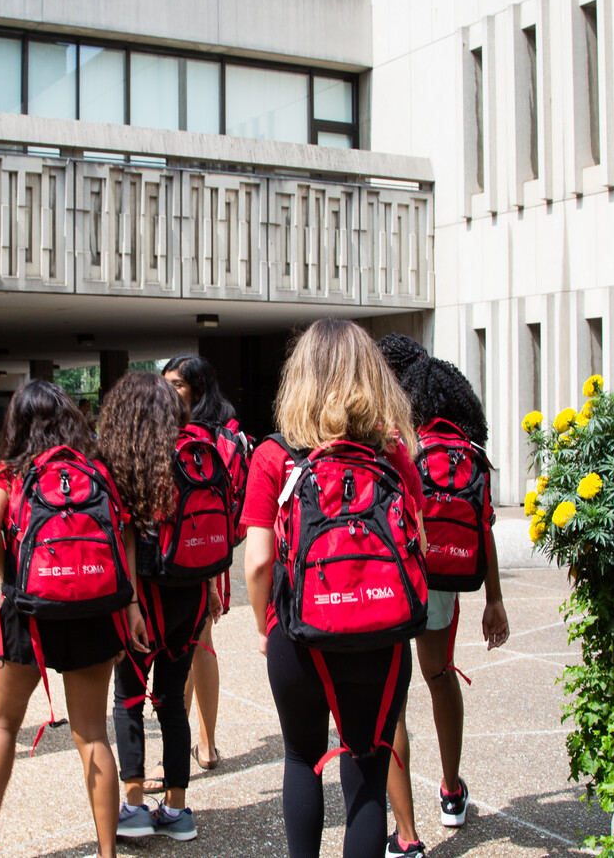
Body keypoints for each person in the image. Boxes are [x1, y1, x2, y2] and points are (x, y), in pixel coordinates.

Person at [244, 319, 424, 858]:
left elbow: (257, 565)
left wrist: (263, 626)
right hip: (382, 629)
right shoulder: (392, 454)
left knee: (301, 758)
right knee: (367, 766)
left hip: (296, 630)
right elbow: (421, 547)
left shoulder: (274, 456)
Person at [0, 379, 150, 858]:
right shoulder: (97, 472)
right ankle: (107, 852)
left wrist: (12, 577)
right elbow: (124, 534)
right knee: (92, 733)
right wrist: (131, 605)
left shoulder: (8, 472)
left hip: (30, 613)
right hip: (94, 608)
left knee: (2, 724)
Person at [376, 335, 511, 858]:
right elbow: (484, 527)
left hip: (396, 576)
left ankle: (407, 835)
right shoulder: (465, 450)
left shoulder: (396, 442)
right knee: (439, 675)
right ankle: (452, 792)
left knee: (394, 699)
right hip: (443, 580)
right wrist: (494, 600)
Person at [104, 373, 206, 841]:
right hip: (193, 593)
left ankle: (135, 806)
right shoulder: (196, 453)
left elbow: (123, 535)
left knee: (128, 698)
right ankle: (179, 810)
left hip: (144, 597)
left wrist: (128, 604)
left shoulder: (126, 462)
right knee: (171, 700)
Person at [161, 355, 234, 774]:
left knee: (191, 645)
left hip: (190, 554)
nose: (168, 391)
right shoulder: (223, 436)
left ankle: (188, 744)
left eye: (177, 385)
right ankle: (203, 744)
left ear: (197, 391)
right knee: (200, 643)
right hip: (212, 548)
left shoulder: (186, 437)